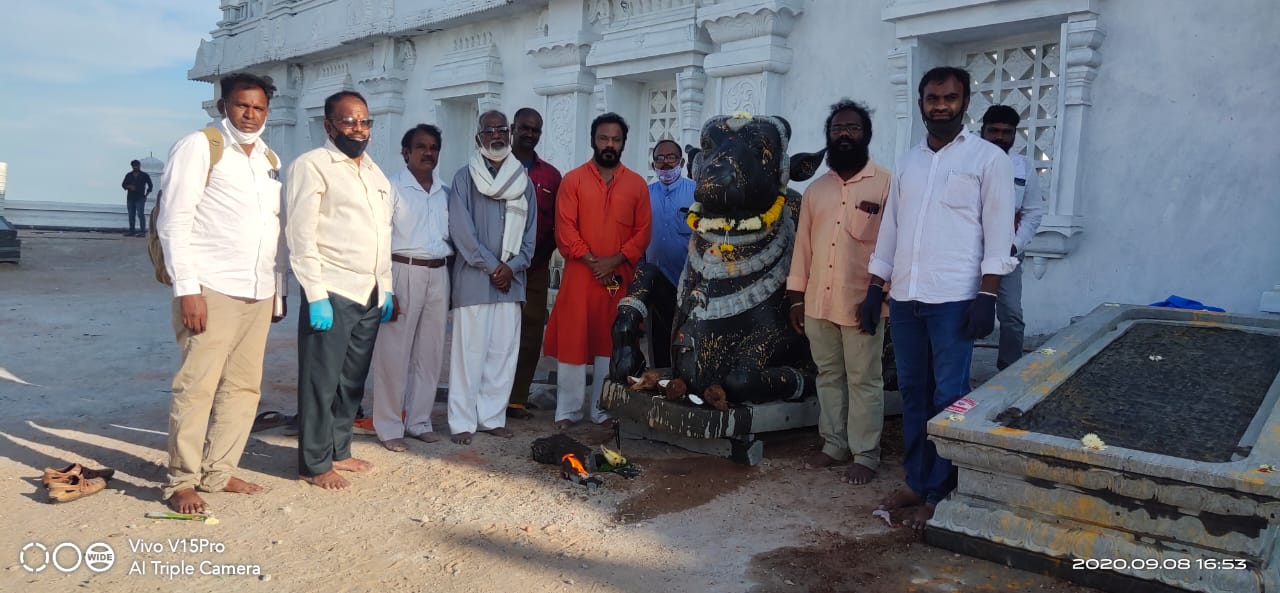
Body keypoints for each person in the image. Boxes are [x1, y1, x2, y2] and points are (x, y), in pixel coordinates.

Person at [863, 67, 1017, 528]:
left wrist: (987, 296)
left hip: (955, 299)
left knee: (949, 396)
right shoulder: (908, 162)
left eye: (950, 98)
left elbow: (997, 234)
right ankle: (915, 479)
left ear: (965, 102)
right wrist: (876, 287)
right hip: (907, 298)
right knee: (913, 393)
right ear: (920, 102)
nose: (941, 105)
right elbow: (891, 229)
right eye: (932, 98)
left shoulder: (989, 160)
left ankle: (941, 490)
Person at [156, 73, 286, 513]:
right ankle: (182, 480)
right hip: (211, 287)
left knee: (244, 388)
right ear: (223, 106)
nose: (250, 115)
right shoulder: (200, 146)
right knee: (197, 387)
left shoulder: (268, 158)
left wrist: (278, 292)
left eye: (258, 108)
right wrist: (187, 290)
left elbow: (274, 231)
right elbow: (173, 221)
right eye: (241, 106)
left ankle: (219, 471)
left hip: (258, 290)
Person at [286, 91, 394, 490]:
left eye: (365, 122)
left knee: (351, 380)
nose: (358, 129)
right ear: (329, 125)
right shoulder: (312, 166)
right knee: (321, 380)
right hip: (332, 290)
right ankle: (314, 464)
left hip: (368, 292)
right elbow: (300, 233)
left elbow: (383, 234)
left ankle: (339, 450)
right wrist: (314, 293)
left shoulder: (374, 173)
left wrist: (387, 287)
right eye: (349, 122)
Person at [786, 99, 890, 486]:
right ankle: (834, 444)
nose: (844, 134)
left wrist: (880, 295)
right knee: (828, 374)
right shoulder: (816, 191)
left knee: (864, 378)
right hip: (818, 301)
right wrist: (797, 298)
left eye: (853, 128)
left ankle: (866, 453)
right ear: (828, 137)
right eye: (837, 129)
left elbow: (894, 245)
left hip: (863, 301)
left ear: (867, 135)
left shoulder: (886, 184)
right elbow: (803, 249)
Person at [543, 113, 651, 431]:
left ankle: (603, 409)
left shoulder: (636, 184)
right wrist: (594, 262)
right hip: (580, 276)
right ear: (593, 140)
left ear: (623, 144)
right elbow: (565, 228)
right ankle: (568, 411)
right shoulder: (573, 180)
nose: (609, 145)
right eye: (604, 138)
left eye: (616, 140)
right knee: (574, 342)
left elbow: (643, 231)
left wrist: (614, 261)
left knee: (611, 342)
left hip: (618, 279)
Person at [446, 110, 538, 445]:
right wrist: (492, 266)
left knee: (502, 354)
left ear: (510, 134)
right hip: (474, 280)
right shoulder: (463, 179)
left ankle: (491, 416)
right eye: (489, 130)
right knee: (468, 354)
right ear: (478, 137)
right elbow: (462, 231)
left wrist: (510, 268)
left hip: (510, 284)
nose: (496, 135)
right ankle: (461, 422)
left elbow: (530, 235)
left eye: (502, 129)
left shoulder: (522, 180)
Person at [368, 124, 451, 452]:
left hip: (439, 273)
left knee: (430, 353)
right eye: (421, 147)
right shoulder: (392, 189)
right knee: (394, 352)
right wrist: (386, 288)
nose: (428, 153)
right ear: (406, 153)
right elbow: (381, 239)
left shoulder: (444, 191)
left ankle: (419, 421)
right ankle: (389, 425)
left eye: (433, 148)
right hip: (403, 270)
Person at [979, 105, 1044, 370]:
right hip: (967, 252)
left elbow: (1033, 212)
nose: (1000, 137)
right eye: (993, 131)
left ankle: (1009, 374)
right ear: (981, 131)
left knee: (1011, 315)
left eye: (1007, 132)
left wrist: (1014, 246)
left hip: (1008, 254)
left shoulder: (1022, 167)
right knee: (960, 313)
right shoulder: (967, 162)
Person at [507, 107, 562, 420]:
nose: (529, 134)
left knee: (530, 335)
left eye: (535, 130)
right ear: (514, 128)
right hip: (499, 269)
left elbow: (557, 222)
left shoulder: (550, 176)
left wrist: (537, 256)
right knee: (498, 334)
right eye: (524, 128)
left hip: (537, 268)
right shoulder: (496, 166)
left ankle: (516, 399)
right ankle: (489, 396)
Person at [643, 139, 695, 369]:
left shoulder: (696, 193)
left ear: (682, 161)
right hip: (656, 281)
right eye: (659, 158)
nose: (665, 163)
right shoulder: (644, 195)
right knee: (658, 338)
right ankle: (660, 381)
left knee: (688, 339)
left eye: (671, 157)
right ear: (653, 164)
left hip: (687, 282)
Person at [122, 159, 153, 237]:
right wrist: (129, 186)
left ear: (139, 166)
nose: (136, 167)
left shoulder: (144, 175)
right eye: (134, 166)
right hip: (130, 198)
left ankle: (143, 232)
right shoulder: (128, 175)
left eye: (137, 165)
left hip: (140, 198)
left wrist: (146, 195)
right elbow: (123, 185)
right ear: (132, 166)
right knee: (131, 215)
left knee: (140, 214)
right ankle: (132, 231)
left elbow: (150, 186)